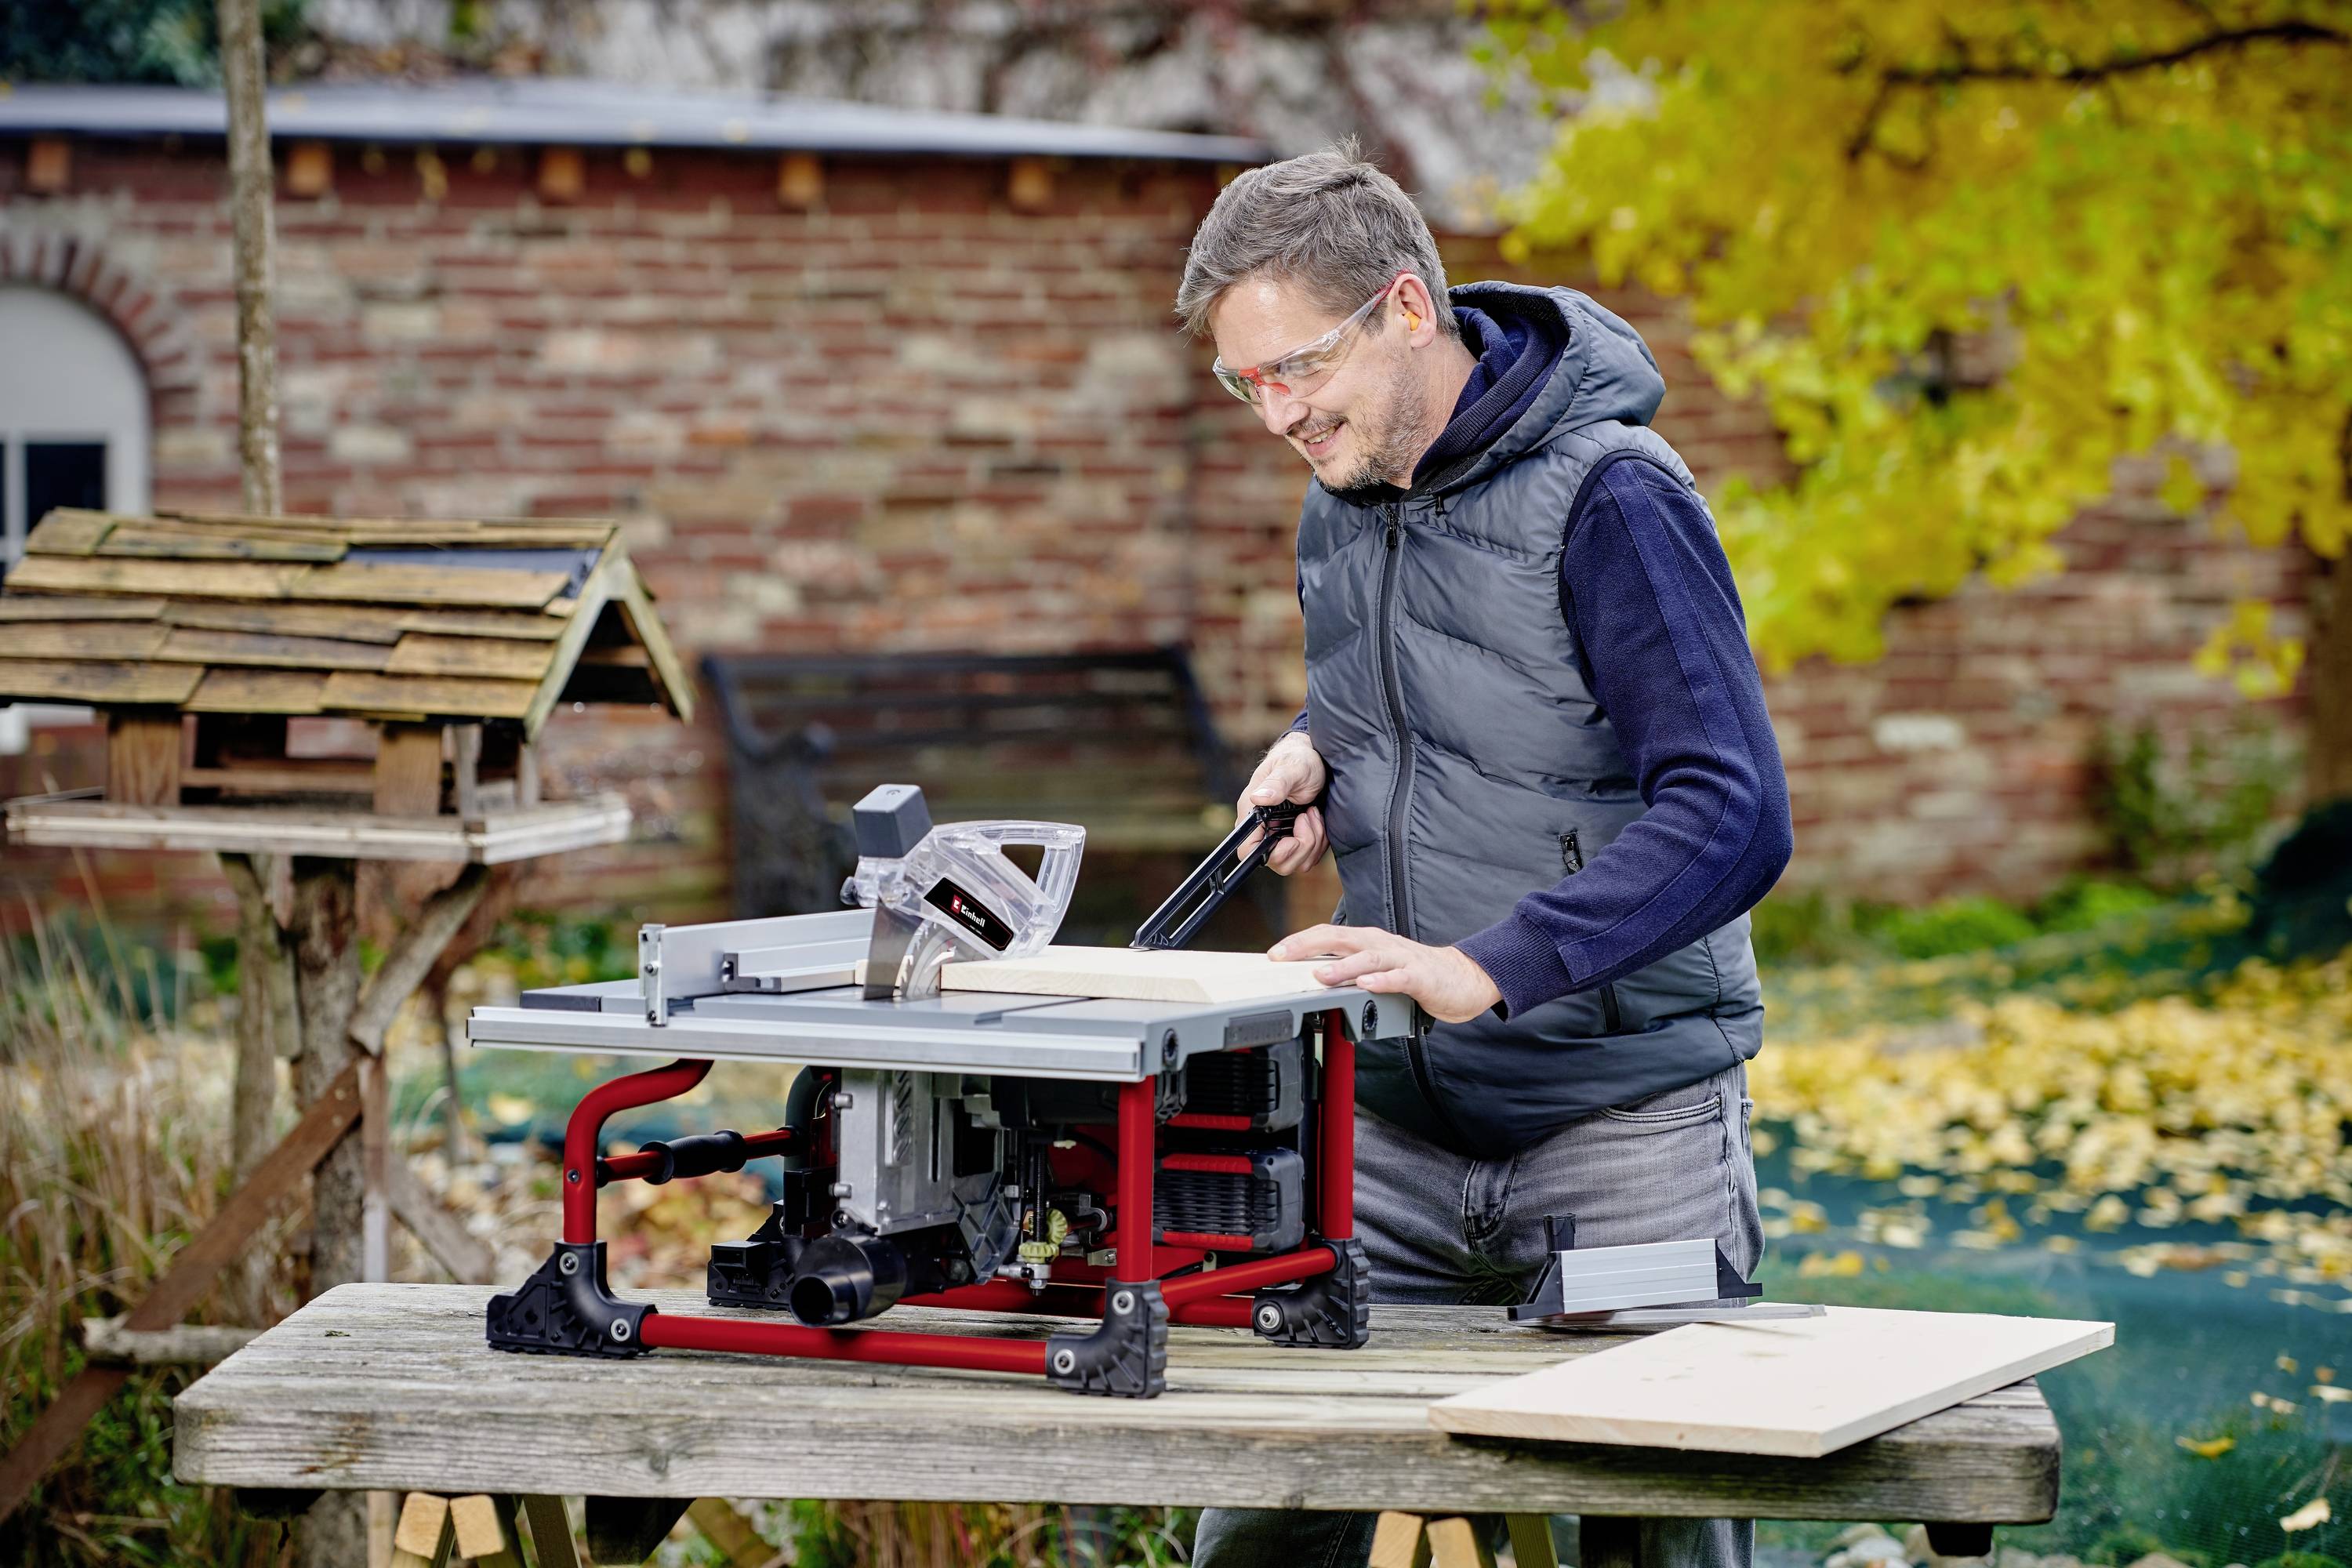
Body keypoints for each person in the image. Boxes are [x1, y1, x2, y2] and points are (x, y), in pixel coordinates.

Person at [1174, 142, 1794, 1568]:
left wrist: (1485, 967)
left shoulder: (1615, 496)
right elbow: (1467, 683)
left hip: (1621, 1133)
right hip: (1390, 1132)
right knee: (1264, 1536)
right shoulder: (1342, 499)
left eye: (1295, 368)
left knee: (1659, 1543)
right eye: (1243, 382)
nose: (1275, 413)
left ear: (1404, 307)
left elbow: (1732, 810)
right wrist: (1323, 745)